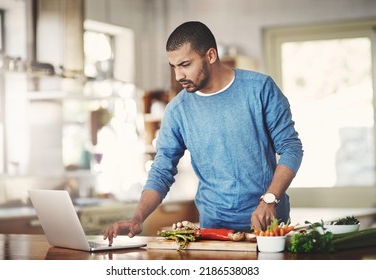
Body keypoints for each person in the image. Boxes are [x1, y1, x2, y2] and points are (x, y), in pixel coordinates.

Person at [103, 21, 303, 244]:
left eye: (185, 64)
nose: (179, 75)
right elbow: (161, 170)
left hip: (270, 224)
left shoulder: (260, 89)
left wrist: (270, 200)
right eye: (174, 66)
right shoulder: (178, 111)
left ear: (210, 55)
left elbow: (291, 148)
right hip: (213, 230)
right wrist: (137, 217)